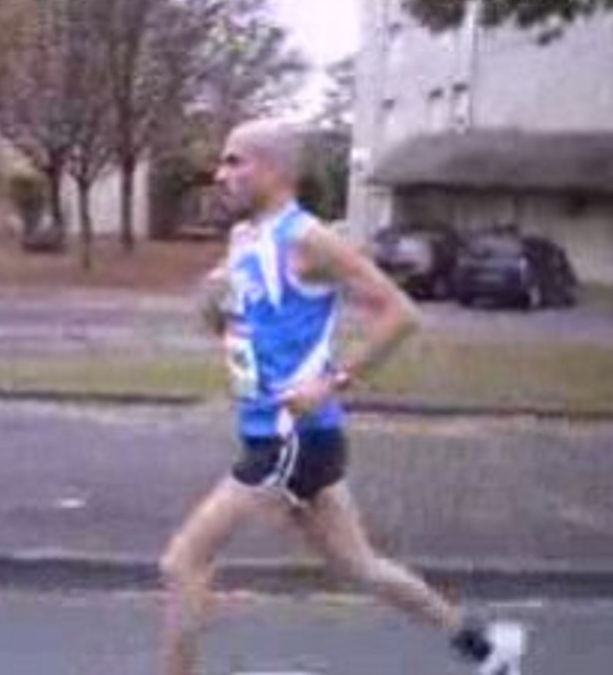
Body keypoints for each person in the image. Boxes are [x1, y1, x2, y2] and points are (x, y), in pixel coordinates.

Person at [159, 118, 527, 675]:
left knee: (183, 561)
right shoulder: (243, 240)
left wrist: (332, 381)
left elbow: (402, 314)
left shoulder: (308, 240)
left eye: (236, 161)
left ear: (276, 170)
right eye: (223, 162)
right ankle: (486, 648)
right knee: (361, 568)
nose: (221, 173)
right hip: (278, 432)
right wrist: (215, 307)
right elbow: (235, 322)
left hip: (293, 439)